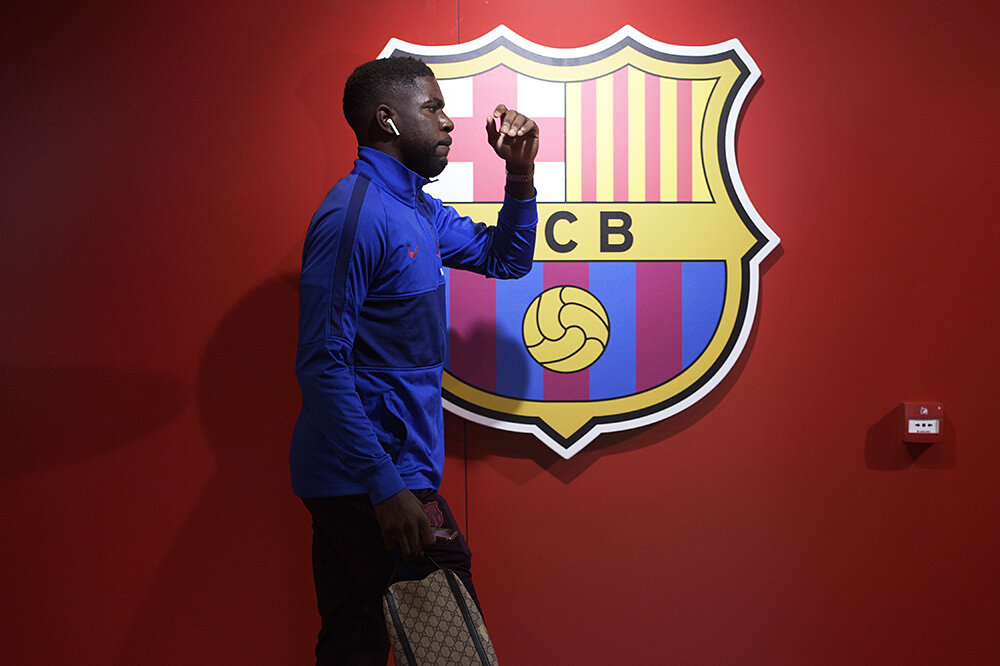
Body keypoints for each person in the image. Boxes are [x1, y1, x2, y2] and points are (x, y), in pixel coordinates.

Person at [290, 56, 539, 664]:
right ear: (388, 119)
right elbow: (322, 364)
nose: (448, 122)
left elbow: (506, 259)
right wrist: (385, 486)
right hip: (369, 476)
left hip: (379, 472)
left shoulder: (417, 209)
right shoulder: (355, 215)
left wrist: (520, 174)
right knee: (452, 650)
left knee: (354, 644)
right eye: (433, 108)